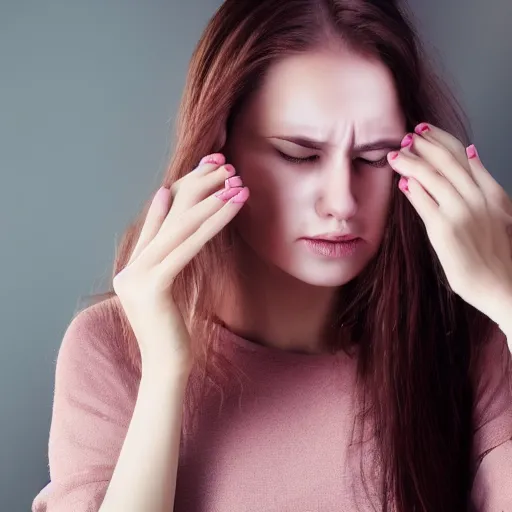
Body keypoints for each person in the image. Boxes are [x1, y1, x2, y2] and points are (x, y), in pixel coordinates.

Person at [32, 0, 512, 510]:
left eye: (373, 159)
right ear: (218, 147)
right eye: (298, 155)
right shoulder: (110, 348)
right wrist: (166, 370)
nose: (341, 203)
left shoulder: (467, 345)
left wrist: (508, 300)